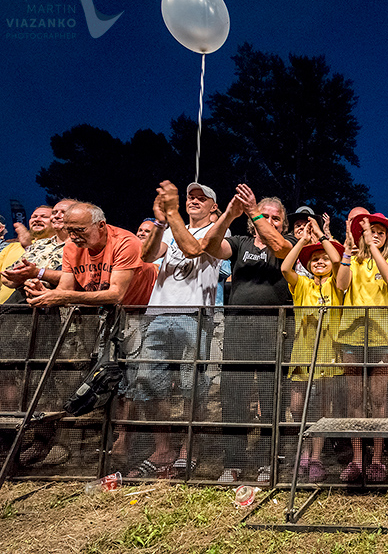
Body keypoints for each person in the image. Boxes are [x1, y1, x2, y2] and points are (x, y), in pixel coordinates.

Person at [119, 181, 224, 479]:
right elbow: (148, 255)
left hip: (195, 315)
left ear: (213, 206)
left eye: (201, 198)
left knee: (194, 389)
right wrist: (160, 222)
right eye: (190, 197)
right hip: (158, 313)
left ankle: (188, 448)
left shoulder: (218, 231)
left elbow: (193, 250)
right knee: (149, 383)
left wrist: (173, 213)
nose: (194, 201)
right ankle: (162, 447)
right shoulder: (169, 228)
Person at [201, 185, 295, 483]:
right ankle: (234, 462)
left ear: (283, 223)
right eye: (264, 216)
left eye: (275, 217)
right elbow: (210, 246)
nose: (269, 221)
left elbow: (280, 247)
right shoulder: (240, 242)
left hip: (275, 328)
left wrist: (254, 211)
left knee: (272, 397)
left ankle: (270, 461)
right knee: (234, 395)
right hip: (239, 327)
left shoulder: (289, 241)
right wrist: (229, 213)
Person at [335, 212, 388, 482]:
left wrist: (372, 246)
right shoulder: (352, 260)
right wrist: (348, 252)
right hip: (352, 338)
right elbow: (341, 285)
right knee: (354, 400)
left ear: (386, 239)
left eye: (380, 232)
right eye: (370, 230)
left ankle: (376, 459)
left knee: (379, 399)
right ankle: (356, 459)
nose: (374, 234)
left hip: (381, 339)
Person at [280, 219, 344, 483]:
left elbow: (340, 262)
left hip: (329, 351)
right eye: (314, 259)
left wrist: (322, 237)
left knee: (322, 407)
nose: (320, 261)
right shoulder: (302, 285)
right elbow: (285, 267)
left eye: (323, 258)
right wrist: (303, 243)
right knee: (297, 405)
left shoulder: (336, 285)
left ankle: (316, 457)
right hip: (303, 351)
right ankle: (303, 450)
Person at [24, 202, 156, 307]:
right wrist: (45, 294)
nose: (74, 236)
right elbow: (65, 288)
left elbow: (116, 295)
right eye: (69, 230)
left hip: (136, 313)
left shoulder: (125, 242)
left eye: (80, 230)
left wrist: (64, 297)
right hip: (101, 312)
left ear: (101, 225)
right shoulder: (71, 246)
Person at [1, 199, 76, 304]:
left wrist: (37, 274)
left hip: (55, 308)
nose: (57, 216)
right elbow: (6, 277)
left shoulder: (82, 246)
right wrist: (21, 278)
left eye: (64, 213)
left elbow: (77, 278)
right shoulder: (39, 245)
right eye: (54, 213)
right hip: (20, 304)